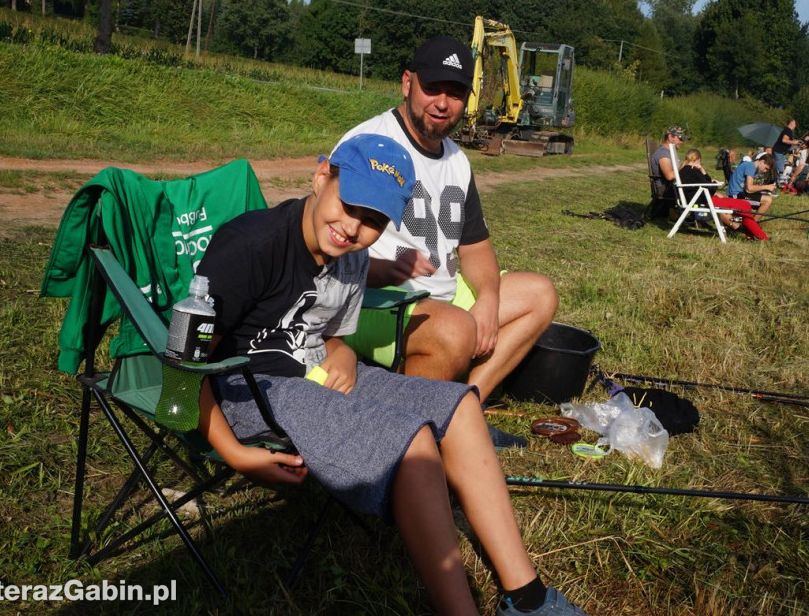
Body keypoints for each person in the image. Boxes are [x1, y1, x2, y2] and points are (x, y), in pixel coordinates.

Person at [195, 133, 589, 616]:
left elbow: (325, 330)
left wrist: (339, 351)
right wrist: (234, 453)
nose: (353, 227)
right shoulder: (250, 244)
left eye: (375, 220)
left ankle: (527, 597)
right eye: (351, 204)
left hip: (317, 371)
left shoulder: (351, 255)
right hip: (249, 388)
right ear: (322, 176)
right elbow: (184, 365)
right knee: (415, 442)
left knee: (462, 405)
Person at [336, 36, 558, 417]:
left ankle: (462, 408)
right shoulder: (370, 144)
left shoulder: (457, 160)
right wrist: (384, 271)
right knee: (456, 329)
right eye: (432, 88)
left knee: (540, 294)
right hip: (376, 303)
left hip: (442, 297)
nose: (442, 103)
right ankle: (406, 420)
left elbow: (476, 247)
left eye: (454, 93)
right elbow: (328, 251)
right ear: (408, 83)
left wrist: (488, 298)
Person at [680, 149, 769, 240]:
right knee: (745, 205)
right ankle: (758, 235)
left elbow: (706, 183)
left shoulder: (685, 170)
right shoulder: (692, 171)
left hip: (704, 198)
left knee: (744, 207)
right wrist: (714, 185)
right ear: (698, 159)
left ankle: (752, 234)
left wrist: (703, 172)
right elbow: (708, 185)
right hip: (706, 200)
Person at [648, 125, 687, 218]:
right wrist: (686, 163)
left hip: (674, 186)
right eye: (680, 138)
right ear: (670, 137)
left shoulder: (671, 153)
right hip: (667, 189)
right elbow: (669, 176)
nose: (681, 142)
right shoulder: (663, 154)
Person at [727, 151, 777, 218]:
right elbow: (749, 189)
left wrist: (765, 189)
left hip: (739, 193)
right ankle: (753, 223)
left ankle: (749, 220)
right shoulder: (750, 166)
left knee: (765, 196)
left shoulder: (750, 165)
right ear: (762, 161)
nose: (766, 171)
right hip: (736, 196)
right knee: (767, 200)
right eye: (766, 168)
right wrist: (767, 187)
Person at [771, 119, 801, 183]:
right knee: (780, 169)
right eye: (795, 124)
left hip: (780, 152)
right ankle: (778, 183)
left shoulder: (787, 130)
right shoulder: (788, 130)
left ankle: (776, 181)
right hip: (778, 151)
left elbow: (788, 142)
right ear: (791, 123)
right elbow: (784, 140)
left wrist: (796, 142)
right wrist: (794, 142)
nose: (795, 126)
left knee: (779, 168)